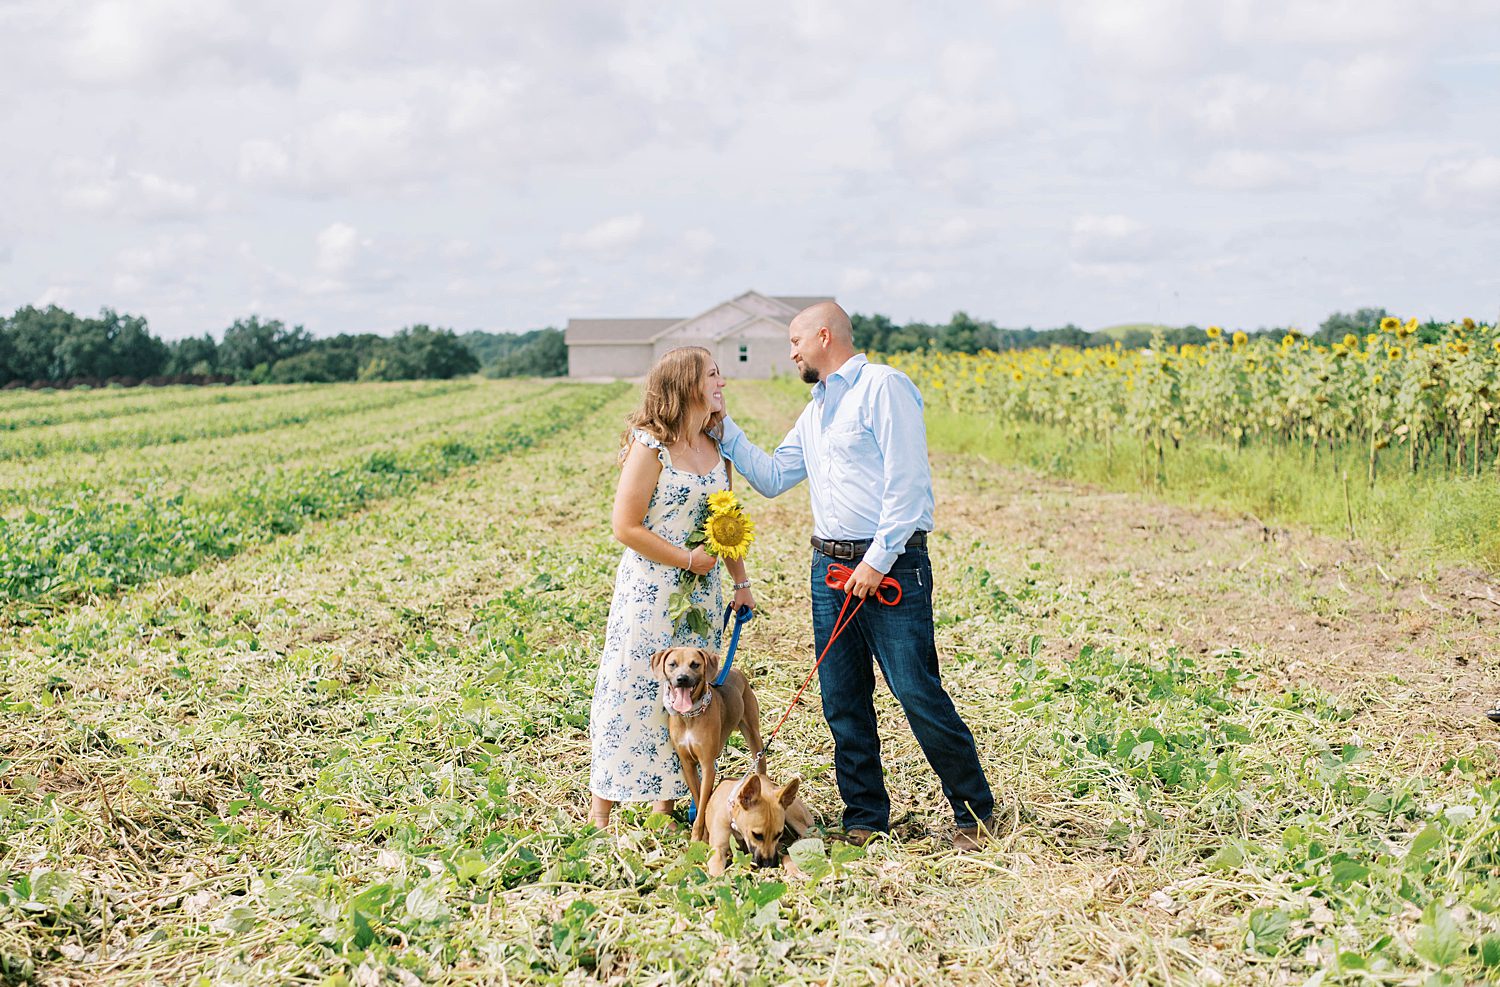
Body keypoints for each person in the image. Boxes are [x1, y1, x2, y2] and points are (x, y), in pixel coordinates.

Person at [715, 301, 994, 850]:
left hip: (890, 564)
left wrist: (877, 561)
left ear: (824, 335)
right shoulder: (814, 410)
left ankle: (973, 812)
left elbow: (908, 484)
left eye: (795, 340)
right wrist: (725, 431)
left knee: (916, 691)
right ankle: (866, 815)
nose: (790, 351)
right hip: (829, 568)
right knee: (843, 698)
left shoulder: (883, 388)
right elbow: (773, 477)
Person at [588, 347, 756, 829]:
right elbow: (625, 526)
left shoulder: (716, 447)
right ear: (686, 385)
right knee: (633, 688)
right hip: (651, 589)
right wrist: (686, 558)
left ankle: (667, 801)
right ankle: (603, 806)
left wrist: (740, 581)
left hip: (703, 596)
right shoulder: (651, 446)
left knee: (691, 694)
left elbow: (726, 521)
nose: (722, 382)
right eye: (712, 374)